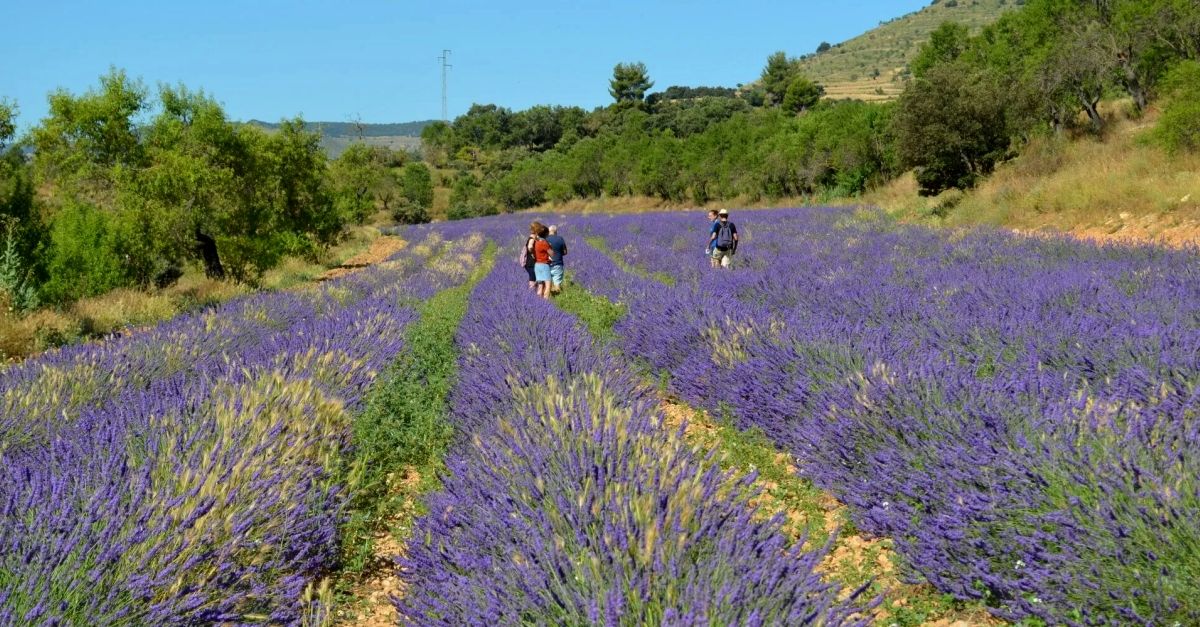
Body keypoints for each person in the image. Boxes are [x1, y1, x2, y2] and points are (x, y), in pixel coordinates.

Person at [532, 223, 553, 299]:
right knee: (548, 285)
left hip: (537, 265)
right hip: (544, 265)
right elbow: (552, 254)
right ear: (546, 234)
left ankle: (538, 302)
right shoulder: (544, 243)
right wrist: (550, 246)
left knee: (540, 285)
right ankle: (545, 301)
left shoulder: (536, 242)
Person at [546, 224, 568, 294]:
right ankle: (558, 297)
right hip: (558, 264)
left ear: (549, 231)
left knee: (547, 285)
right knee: (557, 285)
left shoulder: (545, 239)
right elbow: (565, 252)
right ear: (556, 231)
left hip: (546, 264)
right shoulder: (560, 238)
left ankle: (549, 299)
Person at [522, 222, 542, 290]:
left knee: (534, 276)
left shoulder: (534, 237)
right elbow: (530, 247)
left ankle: (534, 291)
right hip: (530, 262)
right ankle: (532, 291)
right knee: (533, 276)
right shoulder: (532, 238)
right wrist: (533, 254)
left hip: (530, 262)